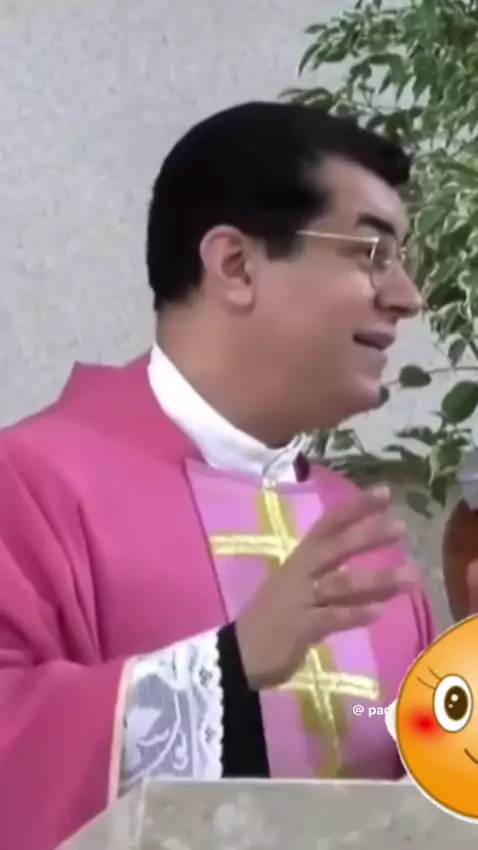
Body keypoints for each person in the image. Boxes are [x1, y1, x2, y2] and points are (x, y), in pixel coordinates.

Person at [0, 101, 437, 850]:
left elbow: (385, 737)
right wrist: (223, 670)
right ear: (235, 265)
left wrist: (453, 716)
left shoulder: (360, 530)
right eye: (371, 252)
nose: (406, 297)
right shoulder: (33, 483)